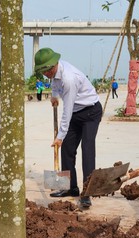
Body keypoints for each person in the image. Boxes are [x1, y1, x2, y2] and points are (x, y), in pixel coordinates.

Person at [34, 48, 102, 208]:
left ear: (52, 67)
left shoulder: (69, 78)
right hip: (76, 113)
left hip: (90, 112)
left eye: (45, 71)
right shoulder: (56, 72)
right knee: (66, 149)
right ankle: (70, 187)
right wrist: (55, 96)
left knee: (87, 150)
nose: (44, 75)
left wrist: (60, 135)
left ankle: (87, 193)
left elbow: (68, 110)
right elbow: (56, 86)